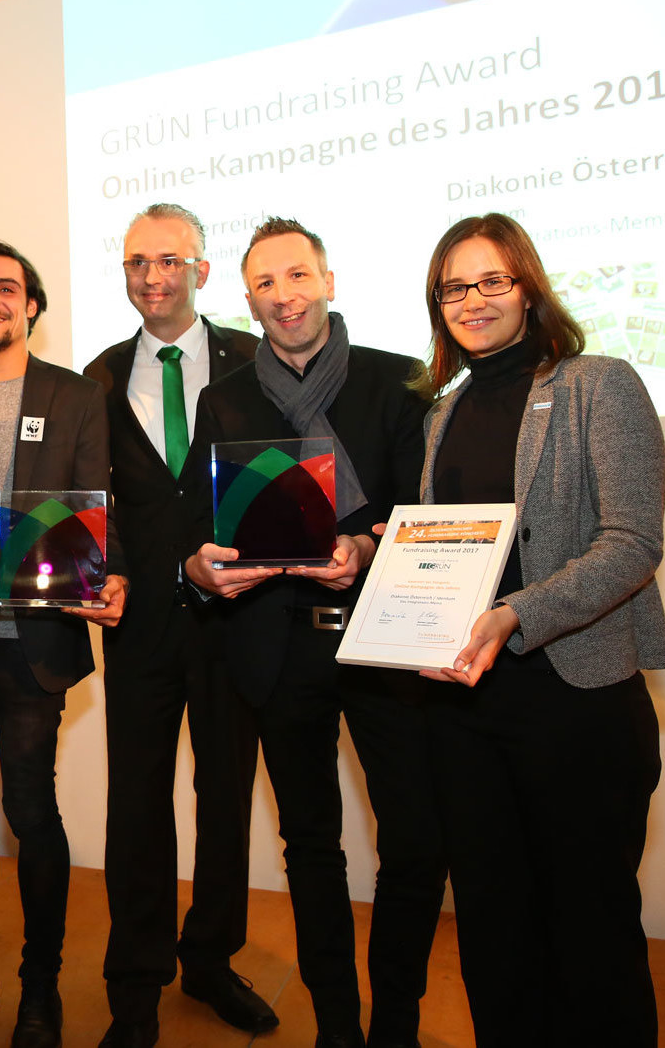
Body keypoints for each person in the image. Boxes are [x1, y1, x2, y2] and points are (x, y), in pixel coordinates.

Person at [184, 218, 445, 1048]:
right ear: (248, 299)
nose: (284, 295)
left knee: (413, 841)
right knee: (312, 845)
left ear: (329, 280)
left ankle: (394, 1024)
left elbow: (429, 517)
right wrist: (200, 567)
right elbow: (197, 527)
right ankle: (339, 1024)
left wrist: (365, 547)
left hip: (384, 642)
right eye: (265, 283)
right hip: (275, 643)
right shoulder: (223, 399)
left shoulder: (399, 382)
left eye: (297, 276)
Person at [415, 213, 665, 1047]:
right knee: (492, 933)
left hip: (577, 705)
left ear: (528, 286)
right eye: (456, 286)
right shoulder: (439, 415)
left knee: (591, 936)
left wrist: (519, 612)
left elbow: (632, 543)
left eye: (493, 280)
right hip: (467, 713)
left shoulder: (599, 382)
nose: (474, 299)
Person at [0, 242, 126, 1047]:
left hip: (31, 641)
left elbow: (95, 505)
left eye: (4, 287)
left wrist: (103, 572)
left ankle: (41, 981)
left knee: (30, 808)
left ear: (32, 304)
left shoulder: (75, 395)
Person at [82, 203, 268, 1048]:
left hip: (237, 618)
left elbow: (280, 474)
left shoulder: (255, 361)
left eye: (167, 260)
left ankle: (211, 957)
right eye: (134, 263)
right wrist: (111, 568)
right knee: (137, 806)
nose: (150, 277)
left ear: (200, 267)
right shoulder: (95, 375)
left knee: (225, 798)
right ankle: (136, 981)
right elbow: (97, 505)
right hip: (140, 622)